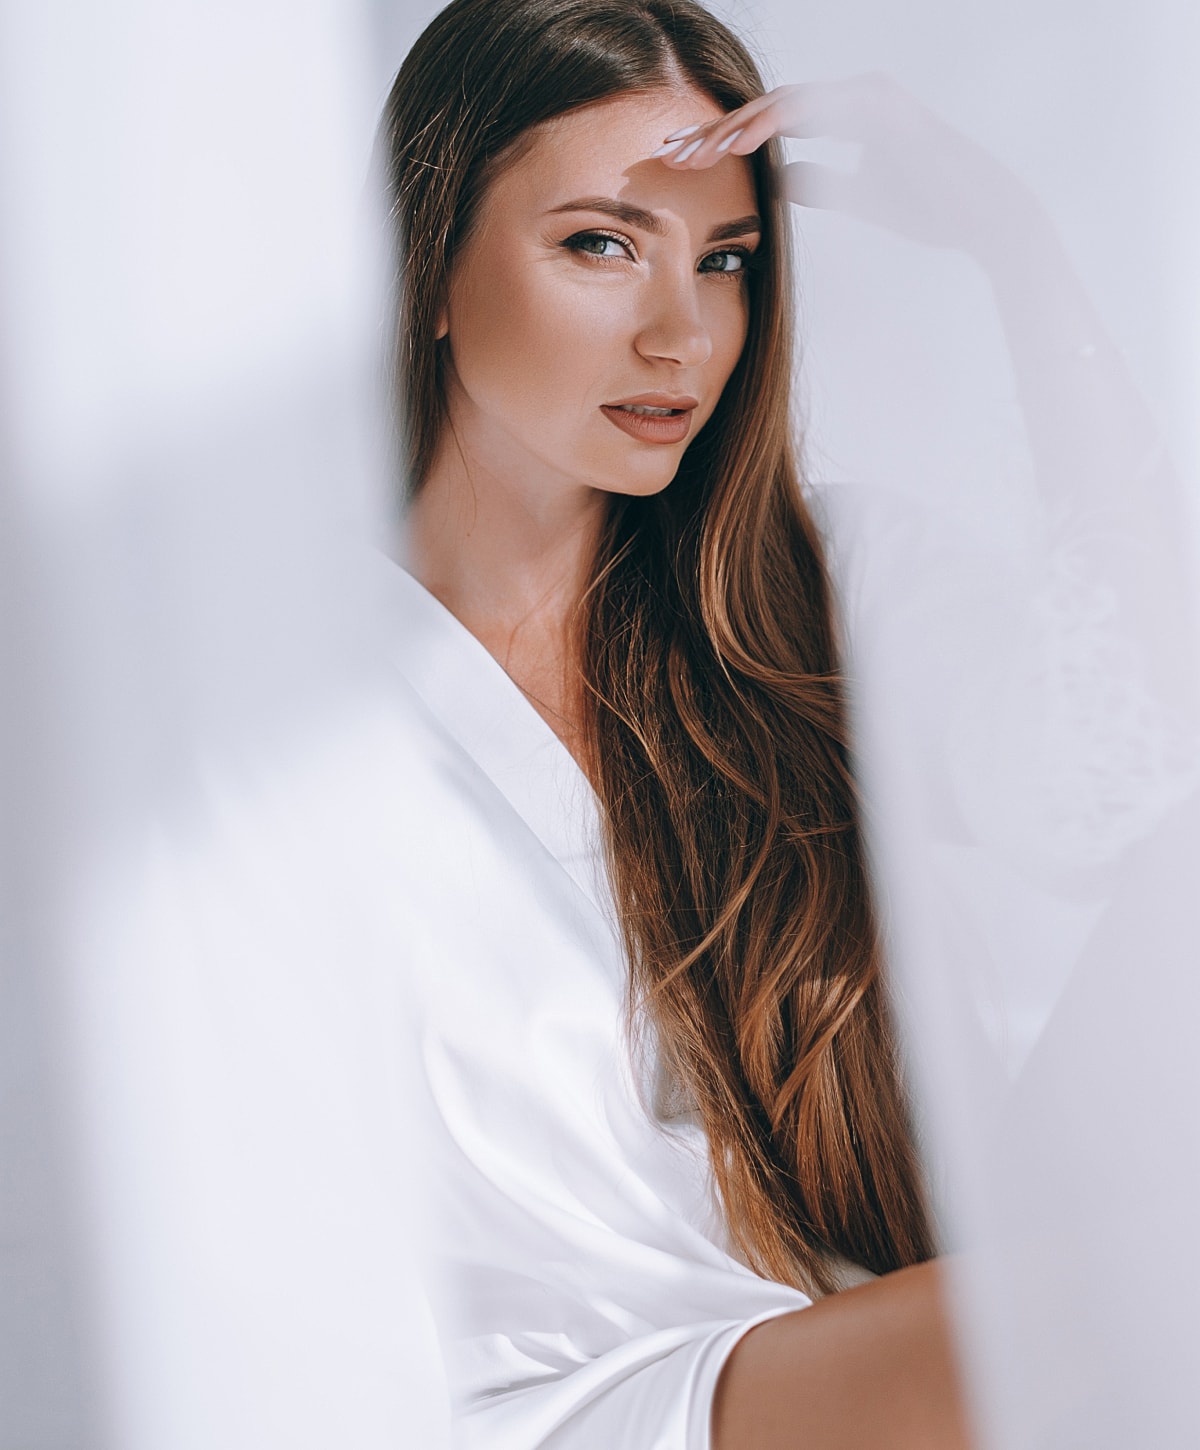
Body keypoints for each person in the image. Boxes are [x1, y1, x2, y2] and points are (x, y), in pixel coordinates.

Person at [377, 0, 976, 1444]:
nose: (682, 331)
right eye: (603, 242)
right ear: (432, 263)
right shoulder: (282, 701)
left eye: (727, 262)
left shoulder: (806, 609)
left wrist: (1011, 257)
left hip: (801, 1354)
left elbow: (1147, 777)